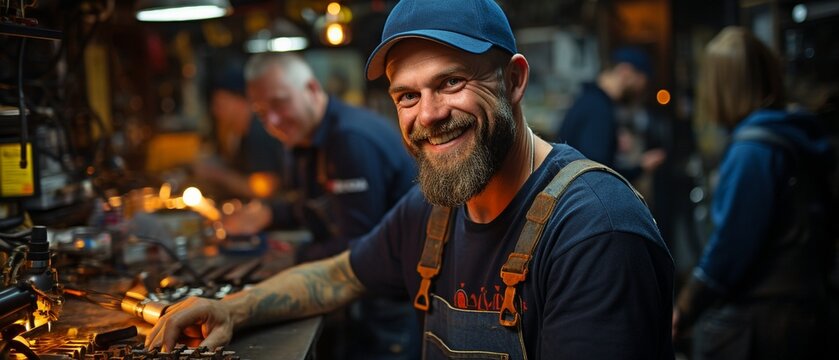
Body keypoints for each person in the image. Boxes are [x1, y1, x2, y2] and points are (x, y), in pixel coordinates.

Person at [147, 1, 675, 359]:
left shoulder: (594, 231)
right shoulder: (435, 210)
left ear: (513, 80)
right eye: (407, 95)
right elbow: (342, 274)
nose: (429, 114)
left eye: (451, 82)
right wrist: (232, 308)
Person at [224, 53, 421, 359]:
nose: (272, 122)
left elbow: (355, 245)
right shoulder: (304, 137)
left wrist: (291, 257)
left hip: (391, 304)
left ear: (312, 89)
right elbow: (317, 208)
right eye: (262, 114)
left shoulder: (350, 140)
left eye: (279, 103)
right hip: (360, 294)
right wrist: (269, 213)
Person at [672, 27, 835, 359]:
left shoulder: (754, 150)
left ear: (722, 88)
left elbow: (732, 247)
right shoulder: (795, 132)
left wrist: (686, 307)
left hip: (763, 321)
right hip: (806, 308)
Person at [558, 46, 666, 181]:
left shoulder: (590, 100)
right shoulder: (598, 108)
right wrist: (640, 168)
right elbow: (597, 175)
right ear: (625, 71)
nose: (641, 90)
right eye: (641, 81)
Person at [192, 65, 285, 199]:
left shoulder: (259, 130)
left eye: (220, 103)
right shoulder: (239, 133)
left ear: (240, 100)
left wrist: (216, 174)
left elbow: (265, 189)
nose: (216, 111)